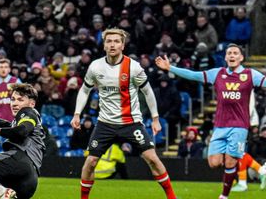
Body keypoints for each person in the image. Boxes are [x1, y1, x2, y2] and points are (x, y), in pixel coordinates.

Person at [71, 28, 176, 199]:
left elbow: (148, 92)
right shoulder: (95, 66)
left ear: (122, 45)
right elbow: (84, 90)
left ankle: (171, 197)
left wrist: (155, 118)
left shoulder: (133, 67)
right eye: (109, 41)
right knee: (90, 162)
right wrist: (77, 114)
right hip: (105, 123)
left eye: (116, 41)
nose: (112, 44)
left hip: (131, 122)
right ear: (104, 45)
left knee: (152, 158)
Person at [155, 43, 266, 199]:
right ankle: (256, 170)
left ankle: (224, 196)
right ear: (226, 57)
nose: (232, 55)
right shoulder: (218, 73)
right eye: (229, 53)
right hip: (220, 126)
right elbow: (194, 75)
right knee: (213, 163)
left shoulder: (250, 74)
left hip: (239, 126)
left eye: (235, 53)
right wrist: (171, 68)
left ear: (241, 58)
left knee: (230, 161)